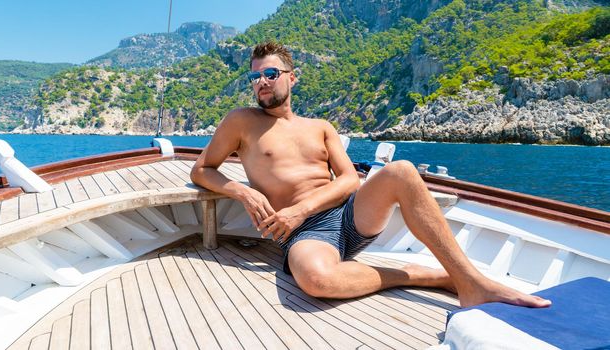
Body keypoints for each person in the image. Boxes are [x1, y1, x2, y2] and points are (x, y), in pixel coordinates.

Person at [190, 41, 551, 308]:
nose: (261, 83)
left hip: (347, 215)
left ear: (291, 78)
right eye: (255, 76)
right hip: (304, 234)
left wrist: (303, 207)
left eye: (270, 74)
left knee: (402, 171)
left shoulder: (320, 126)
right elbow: (203, 169)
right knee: (317, 280)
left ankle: (472, 283)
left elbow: (350, 180)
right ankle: (428, 276)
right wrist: (246, 192)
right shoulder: (241, 121)